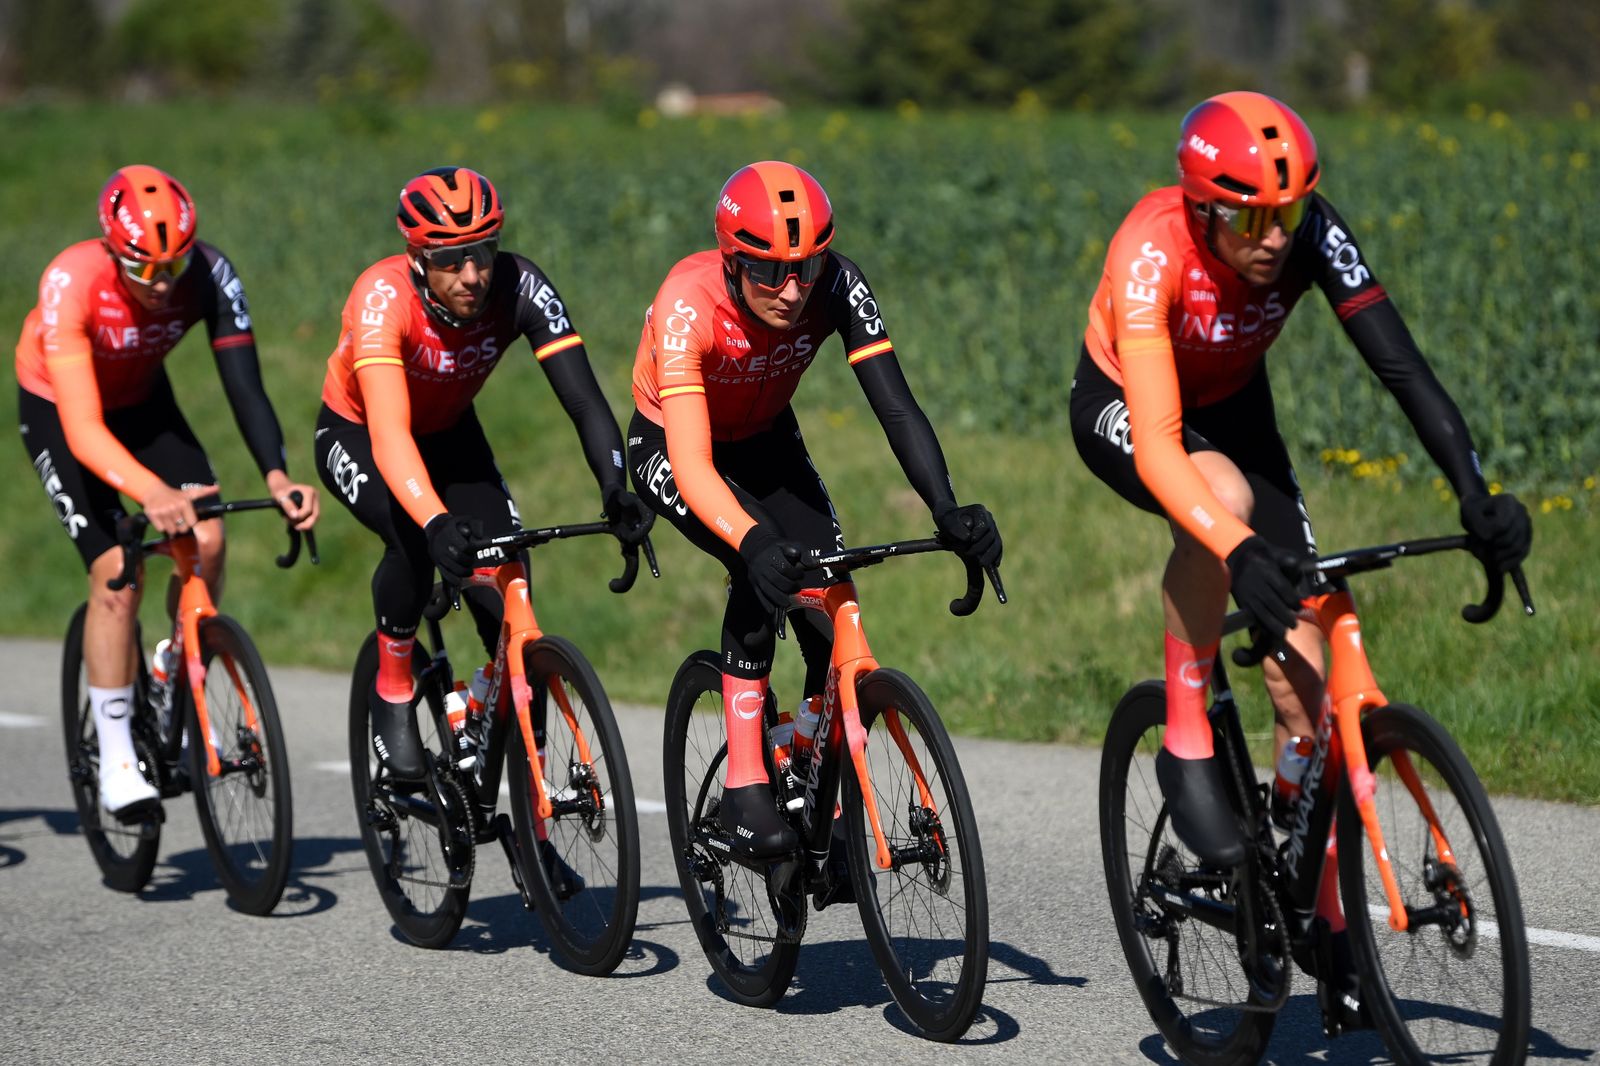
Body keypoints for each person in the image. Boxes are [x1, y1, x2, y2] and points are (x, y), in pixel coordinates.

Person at [1070, 91, 1531, 1021]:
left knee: (1307, 680)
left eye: (1288, 212)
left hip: (1237, 411)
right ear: (1202, 207)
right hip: (1129, 407)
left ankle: (1317, 909)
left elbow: (1400, 367)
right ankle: (1189, 733)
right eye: (1251, 217)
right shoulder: (1153, 245)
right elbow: (1162, 446)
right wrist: (1234, 551)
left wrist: (1473, 491)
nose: (1275, 236)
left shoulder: (1309, 227)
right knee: (1222, 507)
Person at [628, 160, 1003, 862]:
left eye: (807, 267)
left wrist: (947, 507)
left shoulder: (838, 286)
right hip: (677, 445)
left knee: (829, 590)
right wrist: (751, 542)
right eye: (770, 272)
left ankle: (811, 769)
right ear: (732, 261)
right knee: (760, 560)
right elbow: (693, 465)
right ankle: (744, 781)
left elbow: (895, 406)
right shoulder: (689, 302)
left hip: (768, 437)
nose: (793, 290)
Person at [314, 166, 652, 788]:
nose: (473, 276)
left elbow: (584, 401)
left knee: (507, 573)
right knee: (414, 540)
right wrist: (436, 520)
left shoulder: (521, 286)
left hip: (449, 434)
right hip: (360, 433)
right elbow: (389, 434)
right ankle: (392, 688)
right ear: (417, 258)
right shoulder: (381, 296)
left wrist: (613, 486)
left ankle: (521, 787)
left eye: (484, 253)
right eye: (451, 260)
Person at [16, 164, 319, 817]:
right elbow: (83, 427)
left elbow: (245, 386)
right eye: (143, 269)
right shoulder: (73, 282)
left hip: (144, 403)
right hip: (63, 411)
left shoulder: (209, 274)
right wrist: (150, 491)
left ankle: (172, 667)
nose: (160, 283)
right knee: (116, 575)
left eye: (173, 268)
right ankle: (120, 756)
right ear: (111, 248)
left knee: (207, 536)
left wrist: (276, 476)